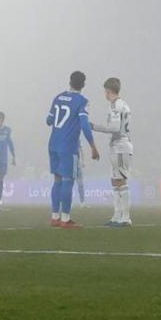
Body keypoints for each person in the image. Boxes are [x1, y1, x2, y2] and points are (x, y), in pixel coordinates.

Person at [46, 71, 100, 229]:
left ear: (69, 82)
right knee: (68, 181)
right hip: (68, 146)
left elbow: (48, 120)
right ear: (83, 85)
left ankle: (54, 217)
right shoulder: (82, 101)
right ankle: (65, 219)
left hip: (53, 144)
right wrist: (93, 146)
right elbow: (84, 124)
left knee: (57, 180)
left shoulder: (57, 97)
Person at [91, 77, 133, 227]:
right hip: (118, 145)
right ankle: (117, 216)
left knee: (121, 180)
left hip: (121, 145)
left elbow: (115, 128)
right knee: (115, 180)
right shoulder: (123, 104)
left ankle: (126, 217)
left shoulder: (116, 105)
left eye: (105, 91)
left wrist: (94, 126)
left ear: (108, 91)